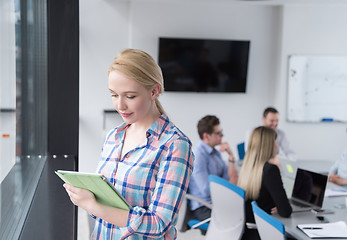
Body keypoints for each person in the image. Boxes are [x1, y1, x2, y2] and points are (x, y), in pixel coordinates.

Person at [63, 49, 194, 239]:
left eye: (130, 96)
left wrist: (92, 206)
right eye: (114, 95)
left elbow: (159, 224)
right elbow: (104, 208)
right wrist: (87, 199)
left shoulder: (175, 145)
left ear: (154, 91)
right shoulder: (113, 137)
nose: (120, 105)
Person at [238, 126, 292, 240]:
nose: (277, 146)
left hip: (249, 232)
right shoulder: (270, 170)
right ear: (269, 145)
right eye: (275, 142)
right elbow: (286, 211)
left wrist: (279, 205)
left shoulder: (247, 167)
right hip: (265, 233)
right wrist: (280, 205)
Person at [188, 115, 238, 222]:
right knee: (237, 220)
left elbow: (228, 175)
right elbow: (206, 190)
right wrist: (230, 184)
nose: (222, 135)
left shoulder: (214, 151)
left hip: (218, 201)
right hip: (205, 207)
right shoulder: (198, 155)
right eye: (218, 133)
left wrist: (231, 156)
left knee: (245, 210)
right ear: (206, 136)